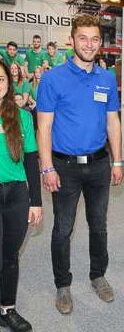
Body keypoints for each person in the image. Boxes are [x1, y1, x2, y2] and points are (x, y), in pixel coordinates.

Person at [36, 14, 123, 315]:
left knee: (99, 225)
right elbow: (44, 127)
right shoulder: (52, 79)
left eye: (95, 39)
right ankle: (63, 284)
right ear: (71, 40)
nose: (89, 44)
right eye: (83, 38)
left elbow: (113, 122)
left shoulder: (107, 78)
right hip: (65, 168)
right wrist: (47, 167)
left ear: (100, 43)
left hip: (99, 165)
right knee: (63, 228)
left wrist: (118, 160)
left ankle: (98, 275)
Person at [0, 60, 42, 332]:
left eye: (1, 79)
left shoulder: (22, 116)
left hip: (16, 194)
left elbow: (30, 162)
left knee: (10, 255)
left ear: (9, 82)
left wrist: (36, 201)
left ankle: (7, 308)